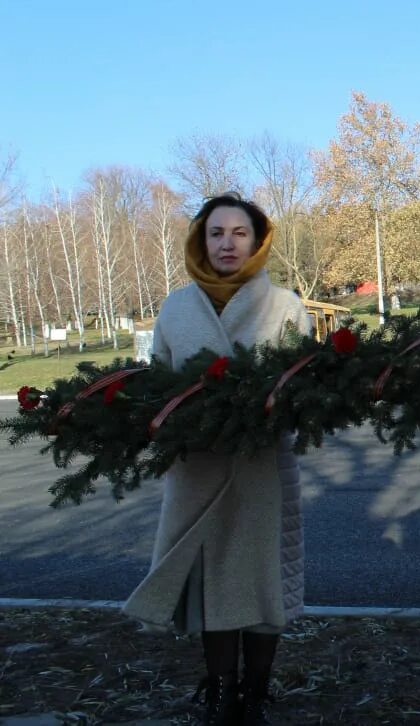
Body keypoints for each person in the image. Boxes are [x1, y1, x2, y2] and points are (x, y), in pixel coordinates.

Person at [123, 194, 311, 725]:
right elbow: (157, 384)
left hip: (261, 470)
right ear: (200, 241)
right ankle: (221, 693)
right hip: (196, 470)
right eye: (215, 233)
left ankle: (255, 694)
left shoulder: (284, 306)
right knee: (212, 586)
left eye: (239, 233)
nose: (227, 243)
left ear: (258, 240)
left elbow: (304, 389)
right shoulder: (177, 308)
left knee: (260, 582)